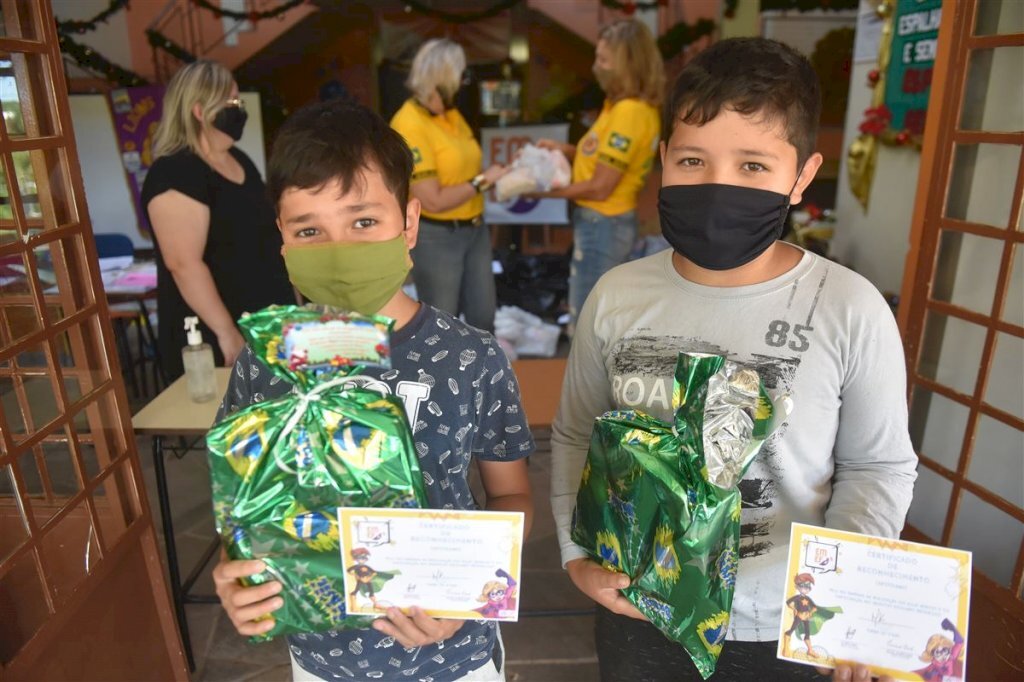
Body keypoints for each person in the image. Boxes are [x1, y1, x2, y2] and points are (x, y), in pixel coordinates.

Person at [549, 37, 917, 682]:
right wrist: (576, 552)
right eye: (692, 159)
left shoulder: (849, 307)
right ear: (664, 159)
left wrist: (852, 593)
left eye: (753, 166)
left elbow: (877, 466)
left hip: (788, 621)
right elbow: (578, 431)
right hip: (640, 603)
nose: (717, 184)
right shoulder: (616, 295)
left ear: (802, 176)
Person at [211, 100, 534, 682]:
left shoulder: (472, 358)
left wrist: (471, 595)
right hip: (320, 660)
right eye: (310, 230)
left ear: (408, 224)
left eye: (364, 222)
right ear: (281, 239)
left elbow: (512, 499)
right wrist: (234, 574)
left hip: (454, 659)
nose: (341, 249)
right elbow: (245, 514)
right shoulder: (263, 364)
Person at [142, 60, 294, 381]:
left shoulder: (239, 160)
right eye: (232, 102)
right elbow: (184, 264)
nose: (240, 109)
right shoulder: (175, 172)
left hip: (267, 322)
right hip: (215, 332)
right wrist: (226, 332)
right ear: (200, 110)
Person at [533, 19, 664, 331]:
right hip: (602, 223)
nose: (596, 68)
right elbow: (603, 163)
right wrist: (567, 151)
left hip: (603, 224)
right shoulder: (617, 107)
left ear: (626, 65)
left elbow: (601, 186)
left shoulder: (629, 113)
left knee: (588, 321)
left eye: (604, 60)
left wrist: (540, 192)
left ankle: (588, 381)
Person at [390, 39, 507, 333]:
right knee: (442, 326)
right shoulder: (409, 123)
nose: (465, 82)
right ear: (443, 76)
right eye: (462, 75)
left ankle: (482, 378)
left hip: (475, 230)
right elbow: (433, 199)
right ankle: (440, 380)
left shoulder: (452, 116)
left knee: (484, 318)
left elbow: (466, 168)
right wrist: (483, 180)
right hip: (438, 236)